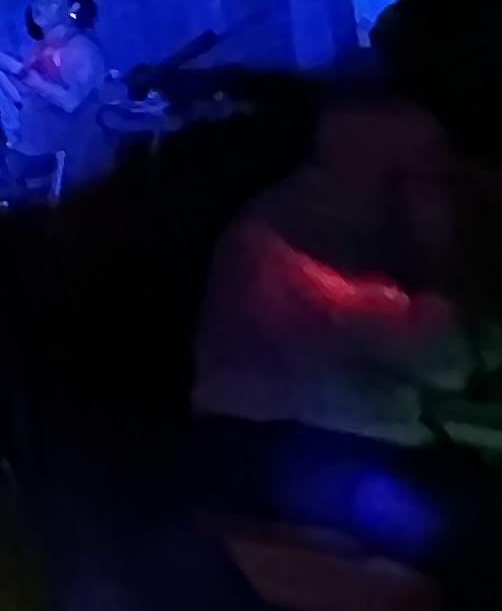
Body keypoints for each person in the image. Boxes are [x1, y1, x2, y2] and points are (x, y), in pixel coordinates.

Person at [189, 90, 483, 554]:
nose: (437, 184)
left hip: (290, 454)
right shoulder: (299, 241)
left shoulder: (322, 225)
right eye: (424, 167)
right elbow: (445, 363)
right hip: (304, 461)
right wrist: (436, 250)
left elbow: (476, 350)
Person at [0, 0, 119, 199]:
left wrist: (18, 70)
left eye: (52, 0)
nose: (40, 5)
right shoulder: (40, 48)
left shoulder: (81, 48)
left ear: (73, 8)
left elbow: (70, 101)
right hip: (40, 159)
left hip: (72, 165)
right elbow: (23, 99)